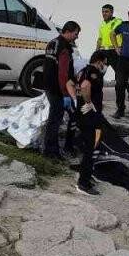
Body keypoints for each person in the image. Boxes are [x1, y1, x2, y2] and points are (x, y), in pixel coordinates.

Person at [42, 21, 81, 160]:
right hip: (58, 89)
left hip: (48, 85)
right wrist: (65, 94)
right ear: (68, 31)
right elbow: (63, 73)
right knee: (55, 120)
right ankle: (51, 152)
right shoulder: (64, 47)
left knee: (57, 118)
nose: (76, 37)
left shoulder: (52, 43)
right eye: (76, 34)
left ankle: (56, 149)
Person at [74, 50, 108, 196]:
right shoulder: (93, 72)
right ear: (99, 61)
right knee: (91, 148)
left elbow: (72, 84)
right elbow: (85, 86)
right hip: (89, 116)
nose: (105, 66)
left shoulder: (82, 71)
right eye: (104, 63)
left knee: (87, 146)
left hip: (81, 114)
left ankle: (84, 175)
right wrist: (89, 102)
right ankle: (83, 183)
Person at [96, 3, 122, 73]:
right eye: (103, 12)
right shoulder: (102, 24)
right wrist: (96, 52)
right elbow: (100, 39)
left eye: (106, 12)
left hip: (114, 51)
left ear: (112, 12)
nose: (104, 14)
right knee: (98, 72)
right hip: (103, 52)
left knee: (119, 73)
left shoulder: (118, 22)